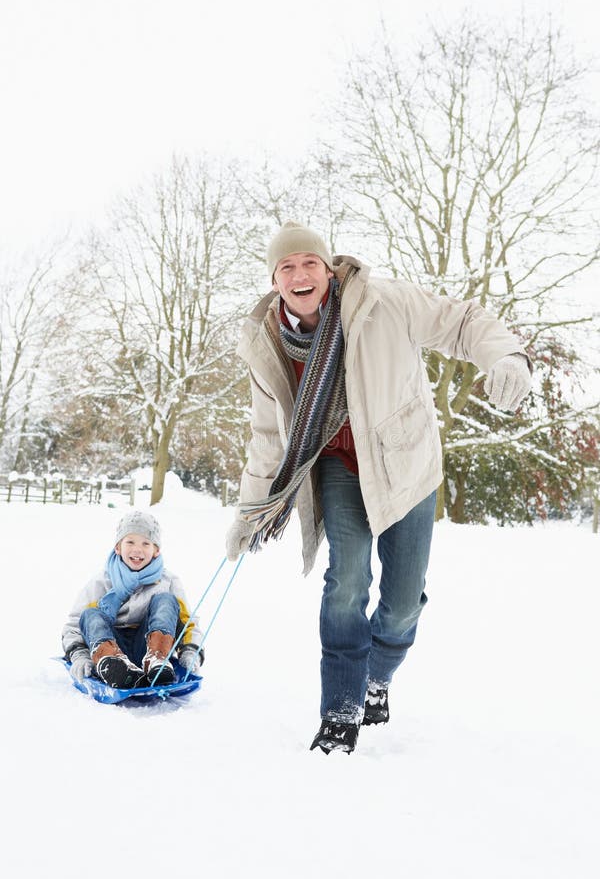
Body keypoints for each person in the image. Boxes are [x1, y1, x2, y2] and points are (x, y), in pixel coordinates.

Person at [226, 220, 532, 755]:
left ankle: (378, 676)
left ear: (328, 267)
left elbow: (460, 321)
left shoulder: (383, 301)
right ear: (274, 279)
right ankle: (341, 709)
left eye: (310, 264)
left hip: (404, 463)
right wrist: (250, 512)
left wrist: (505, 356)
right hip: (339, 467)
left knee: (401, 604)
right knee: (346, 579)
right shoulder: (267, 340)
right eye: (287, 267)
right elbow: (268, 435)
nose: (300, 275)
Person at [62, 511, 204, 689]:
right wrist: (80, 655)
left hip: (149, 646)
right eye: (130, 542)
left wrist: (191, 650)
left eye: (146, 543)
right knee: (91, 614)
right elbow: (76, 624)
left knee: (166, 601)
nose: (137, 549)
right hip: (111, 644)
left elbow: (188, 622)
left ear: (156, 550)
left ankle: (157, 660)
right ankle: (112, 664)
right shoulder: (101, 582)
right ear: (118, 547)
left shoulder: (168, 581)